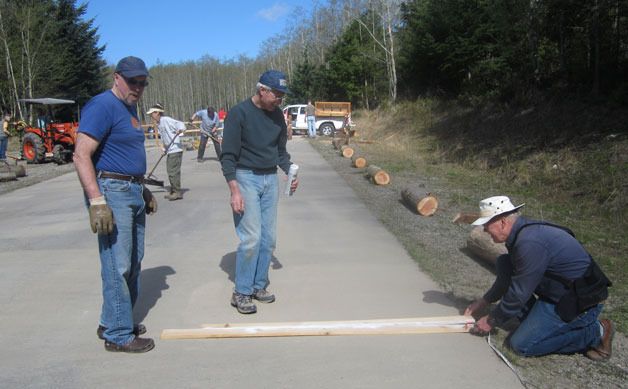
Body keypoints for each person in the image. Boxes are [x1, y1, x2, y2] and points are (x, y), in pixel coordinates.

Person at [73, 56, 157, 353]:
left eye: (142, 83)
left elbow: (125, 155)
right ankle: (119, 335)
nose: (138, 87)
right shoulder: (102, 106)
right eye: (133, 81)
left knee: (133, 261)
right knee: (117, 264)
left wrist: (142, 189)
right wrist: (96, 200)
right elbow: (81, 154)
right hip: (112, 191)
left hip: (131, 189)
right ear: (116, 77)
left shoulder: (129, 108)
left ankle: (112, 320)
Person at [465, 196, 614, 360]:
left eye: (486, 224)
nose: (485, 230)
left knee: (520, 345)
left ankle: (594, 332)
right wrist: (484, 301)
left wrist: (492, 320)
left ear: (502, 222)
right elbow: (508, 281)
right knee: (504, 262)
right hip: (556, 289)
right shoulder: (521, 233)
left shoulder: (529, 242)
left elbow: (519, 292)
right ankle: (537, 322)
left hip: (577, 298)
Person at [220, 69, 299, 314]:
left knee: (269, 239)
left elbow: (280, 152)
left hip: (270, 179)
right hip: (245, 178)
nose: (280, 99)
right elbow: (228, 155)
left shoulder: (277, 116)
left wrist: (289, 170)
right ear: (262, 90)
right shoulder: (239, 113)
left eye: (283, 95)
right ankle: (241, 292)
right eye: (277, 94)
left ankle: (258, 285)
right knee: (251, 238)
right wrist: (234, 189)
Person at [147, 103, 186, 200]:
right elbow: (165, 138)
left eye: (152, 113)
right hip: (170, 150)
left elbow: (181, 124)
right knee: (170, 171)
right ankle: (173, 190)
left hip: (175, 150)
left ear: (157, 113)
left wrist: (180, 130)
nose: (151, 116)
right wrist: (164, 149)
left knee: (173, 172)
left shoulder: (166, 120)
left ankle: (177, 192)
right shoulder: (159, 124)